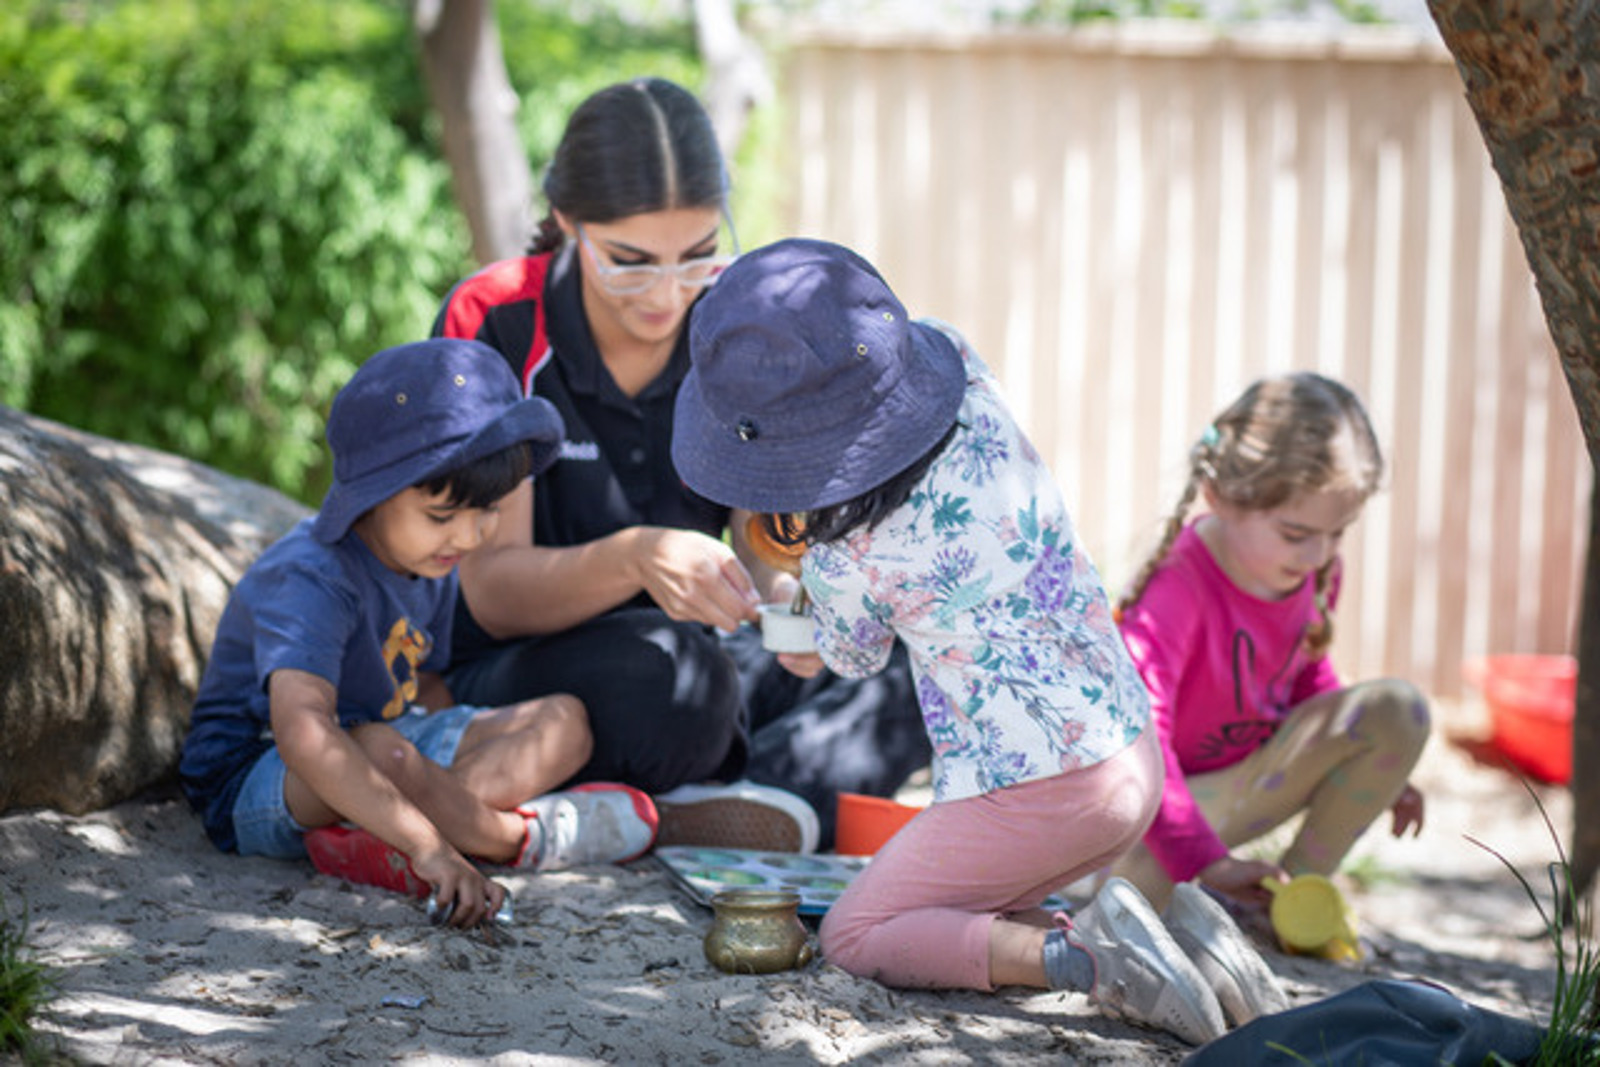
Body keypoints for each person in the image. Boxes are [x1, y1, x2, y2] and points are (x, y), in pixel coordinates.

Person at [670, 237, 1285, 1045]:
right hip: (1126, 748)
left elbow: (844, 656)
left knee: (857, 932)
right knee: (952, 908)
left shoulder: (851, 552)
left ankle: (1093, 960)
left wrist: (798, 613)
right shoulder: (960, 365)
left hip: (1041, 789)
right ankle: (1195, 948)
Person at [430, 77, 929, 852]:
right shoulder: (494, 320)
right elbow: (489, 594)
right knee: (679, 682)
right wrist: (638, 557)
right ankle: (746, 796)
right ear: (566, 222)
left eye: (697, 255)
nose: (667, 294)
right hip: (524, 671)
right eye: (630, 262)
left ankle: (723, 801)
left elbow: (756, 525)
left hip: (699, 655)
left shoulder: (733, 317)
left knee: (907, 651)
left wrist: (788, 592)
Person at [178, 339, 660, 928]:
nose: (469, 536)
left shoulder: (428, 561)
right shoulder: (312, 575)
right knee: (382, 751)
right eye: (442, 516)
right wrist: (431, 845)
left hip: (388, 740)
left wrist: (452, 755)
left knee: (561, 721)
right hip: (260, 773)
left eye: (489, 512)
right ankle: (513, 838)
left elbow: (422, 685)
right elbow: (303, 731)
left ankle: (386, 833)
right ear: (374, 494)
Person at [1109, 372, 1429, 925]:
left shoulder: (1313, 566)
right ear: (1222, 497)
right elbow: (1140, 740)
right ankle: (1174, 894)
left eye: (1338, 532)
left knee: (1399, 711)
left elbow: (1304, 677)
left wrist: (1379, 767)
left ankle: (1294, 900)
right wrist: (1205, 861)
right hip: (1156, 810)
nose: (1318, 553)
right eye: (1296, 533)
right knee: (1130, 898)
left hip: (1252, 781)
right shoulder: (1178, 585)